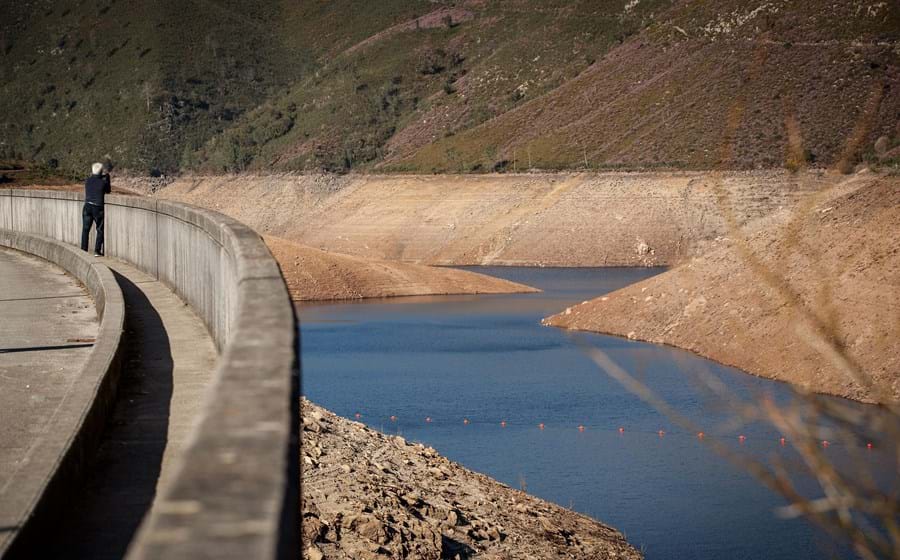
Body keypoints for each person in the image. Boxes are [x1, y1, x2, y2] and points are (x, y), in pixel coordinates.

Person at [81, 162, 111, 256]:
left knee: (85, 229)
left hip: (87, 206)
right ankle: (97, 251)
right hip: (98, 207)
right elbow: (108, 190)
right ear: (101, 171)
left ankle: (83, 250)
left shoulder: (88, 180)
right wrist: (107, 179)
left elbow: (94, 180)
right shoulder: (103, 182)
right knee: (100, 229)